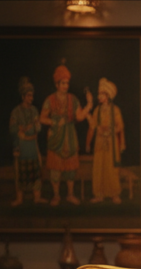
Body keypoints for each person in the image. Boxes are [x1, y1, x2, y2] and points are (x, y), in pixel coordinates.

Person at [40, 60, 91, 206]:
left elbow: (80, 117)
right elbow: (42, 118)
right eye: (63, 83)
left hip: (69, 137)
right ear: (57, 84)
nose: (66, 86)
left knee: (70, 169)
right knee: (55, 169)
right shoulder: (50, 100)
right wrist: (55, 122)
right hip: (55, 138)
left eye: (67, 83)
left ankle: (69, 195)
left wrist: (88, 105)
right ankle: (56, 196)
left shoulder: (73, 99)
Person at [85, 77, 126, 204]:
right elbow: (92, 126)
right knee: (98, 168)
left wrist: (110, 130)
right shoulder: (97, 110)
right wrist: (88, 142)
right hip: (99, 143)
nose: (99, 96)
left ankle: (114, 194)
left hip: (111, 143)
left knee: (111, 169)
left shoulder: (115, 110)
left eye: (101, 94)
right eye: (99, 94)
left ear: (107, 95)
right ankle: (99, 194)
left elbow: (120, 126)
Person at [8, 76, 44, 206]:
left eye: (32, 96)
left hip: (33, 146)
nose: (31, 98)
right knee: (21, 173)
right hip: (22, 146)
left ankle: (37, 197)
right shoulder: (16, 112)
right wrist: (20, 129)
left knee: (35, 172)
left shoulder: (34, 110)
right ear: (23, 96)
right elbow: (12, 128)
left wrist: (34, 125)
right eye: (28, 95)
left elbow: (38, 128)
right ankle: (19, 198)